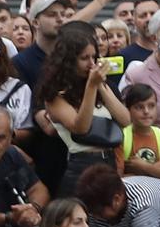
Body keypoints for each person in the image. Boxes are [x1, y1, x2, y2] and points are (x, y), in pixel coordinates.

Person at [41, 19, 130, 195]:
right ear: (68, 61)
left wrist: (100, 86)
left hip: (109, 162)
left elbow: (125, 119)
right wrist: (91, 86)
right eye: (84, 58)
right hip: (82, 165)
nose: (91, 63)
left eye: (94, 57)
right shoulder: (55, 95)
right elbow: (80, 128)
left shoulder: (98, 85)